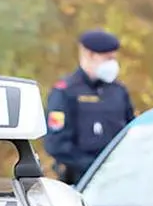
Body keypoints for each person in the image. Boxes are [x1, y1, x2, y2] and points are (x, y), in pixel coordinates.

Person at [43, 29, 135, 185]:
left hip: (119, 179)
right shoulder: (65, 92)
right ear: (90, 55)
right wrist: (95, 167)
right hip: (82, 180)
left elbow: (130, 131)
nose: (113, 64)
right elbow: (56, 143)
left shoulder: (118, 91)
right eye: (108, 58)